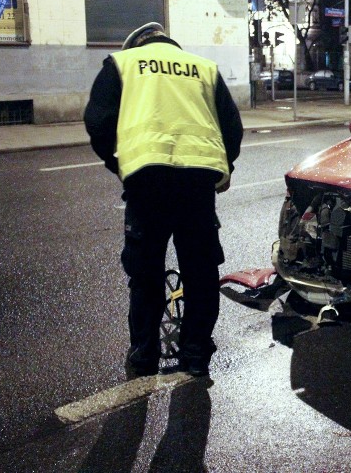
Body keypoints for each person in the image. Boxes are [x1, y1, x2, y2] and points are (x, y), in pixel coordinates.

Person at [84, 22, 243, 377]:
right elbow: (231, 126)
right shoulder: (203, 69)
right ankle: (196, 356)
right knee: (200, 273)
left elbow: (98, 122)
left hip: (147, 183)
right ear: (170, 43)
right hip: (197, 185)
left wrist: (120, 163)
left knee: (146, 274)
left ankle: (144, 356)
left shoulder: (122, 64)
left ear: (135, 43)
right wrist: (223, 167)